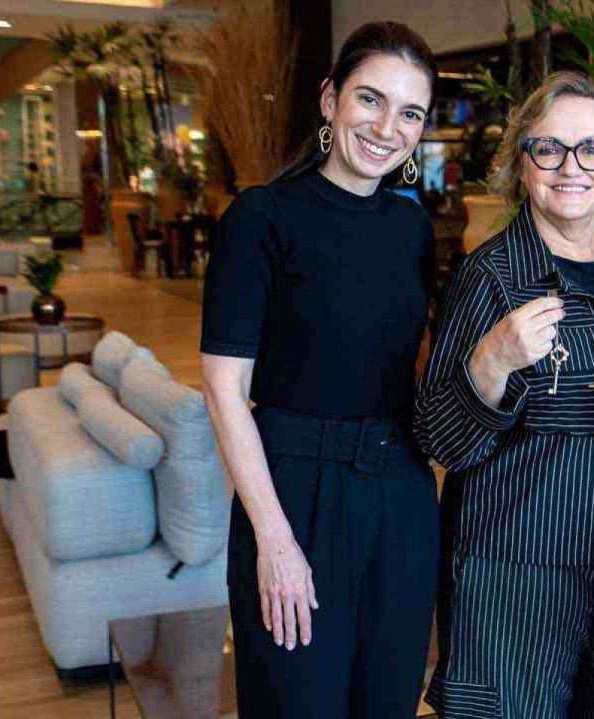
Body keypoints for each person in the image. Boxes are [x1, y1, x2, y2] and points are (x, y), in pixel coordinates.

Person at [415, 71, 594, 719]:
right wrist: (491, 362)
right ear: (522, 162)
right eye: (549, 149)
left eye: (592, 149)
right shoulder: (489, 277)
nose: (572, 167)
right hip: (518, 568)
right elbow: (441, 439)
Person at [200, 22, 439, 718]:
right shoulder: (261, 217)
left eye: (410, 112)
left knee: (387, 701)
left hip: (399, 496)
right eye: (370, 99)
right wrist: (273, 538)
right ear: (331, 98)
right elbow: (223, 389)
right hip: (293, 494)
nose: (387, 127)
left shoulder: (411, 227)